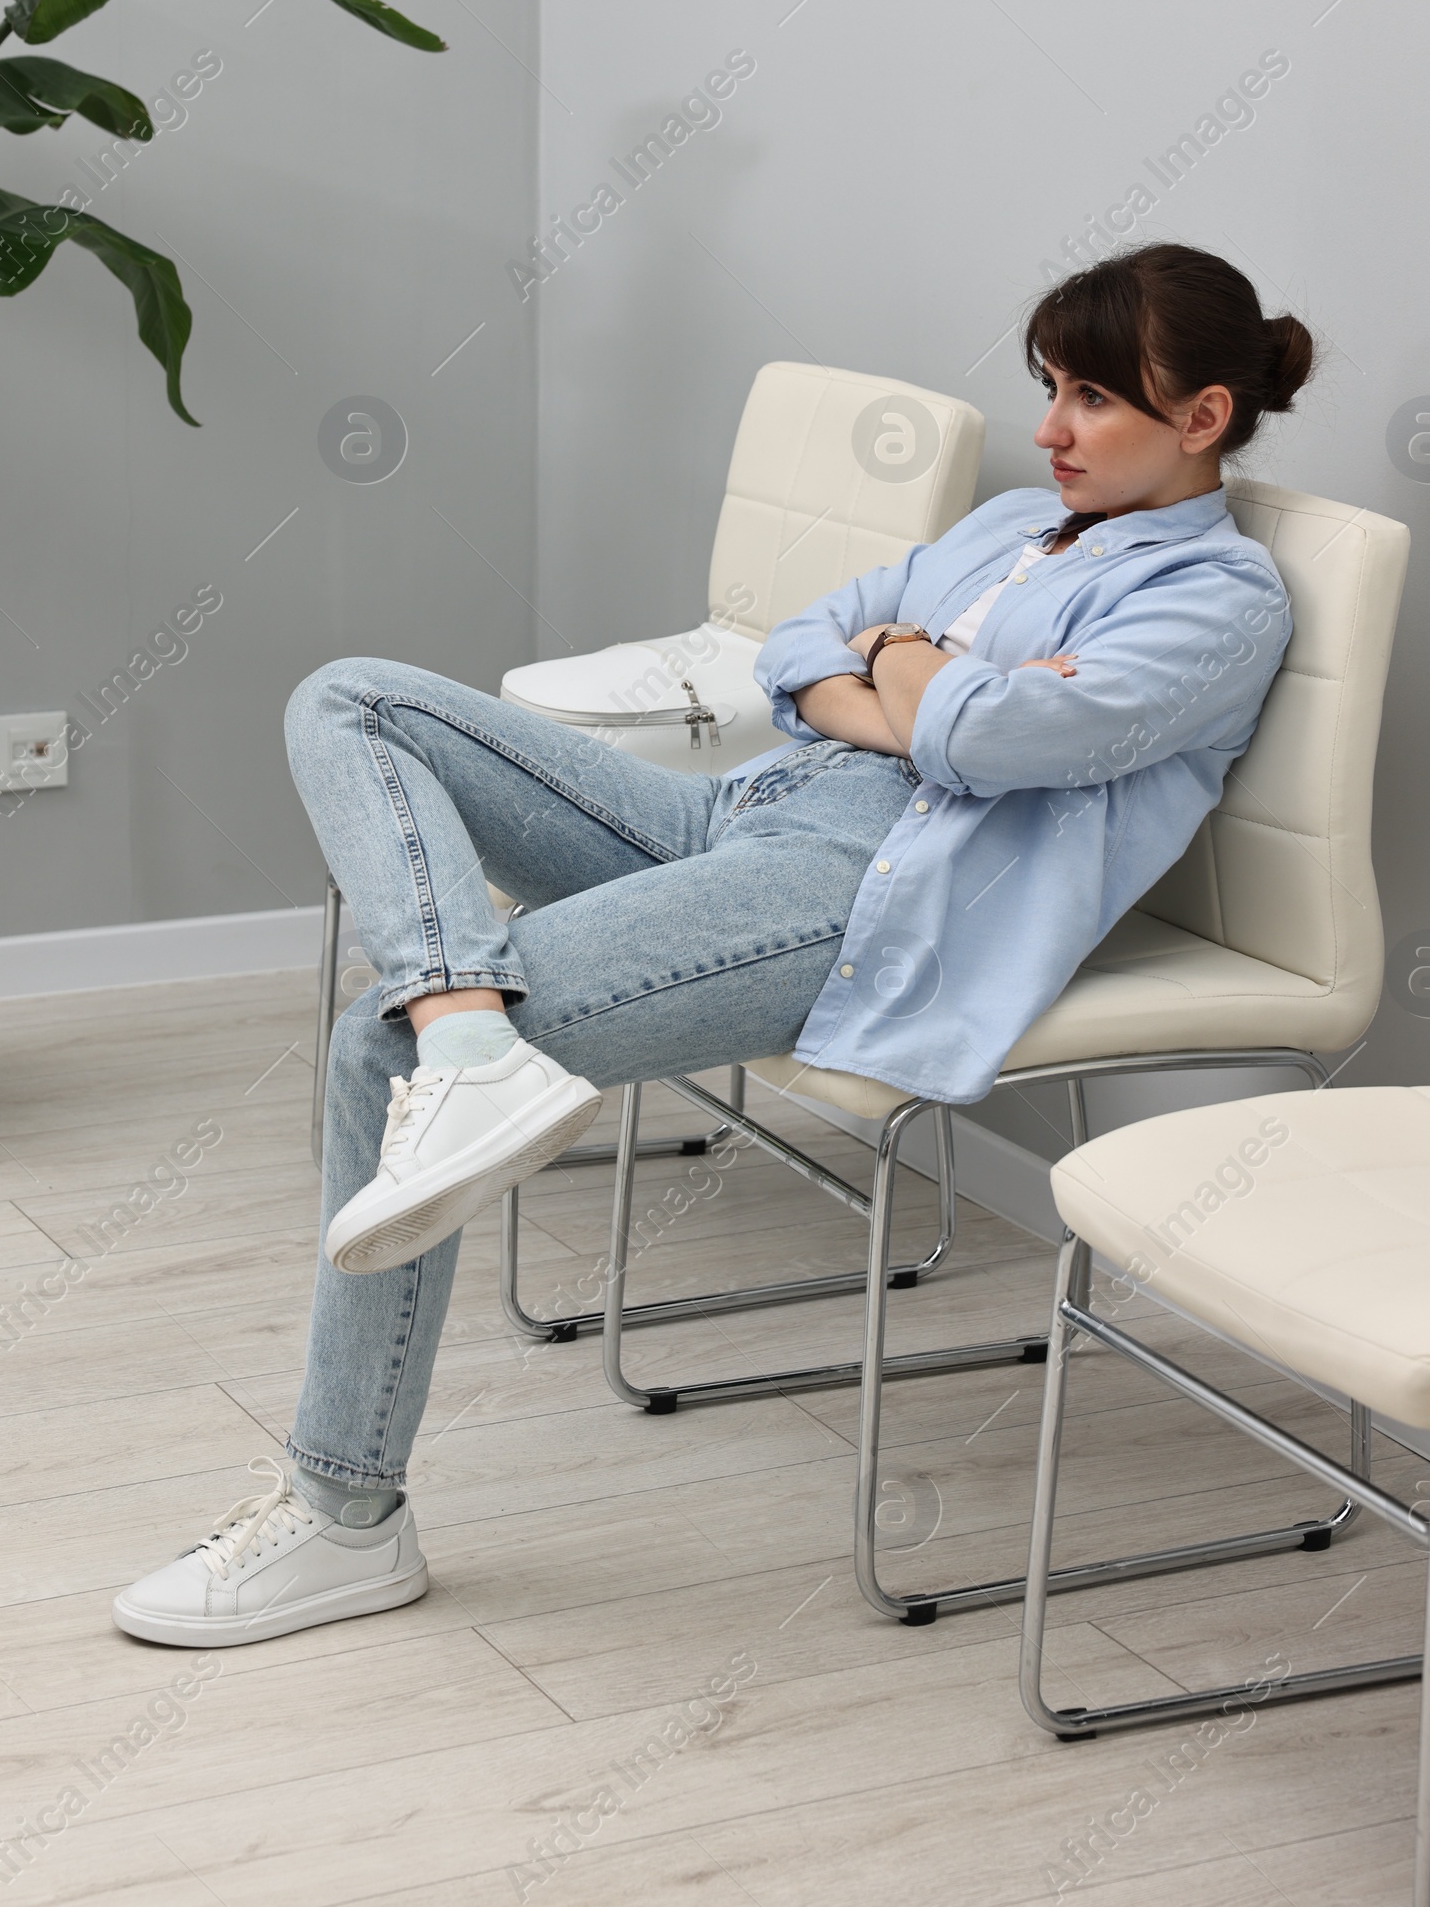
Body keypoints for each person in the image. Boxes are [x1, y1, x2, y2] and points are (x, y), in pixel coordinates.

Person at [113, 241, 1314, 1647]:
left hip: (858, 896)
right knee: (354, 696)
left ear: (1206, 417)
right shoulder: (1008, 527)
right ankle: (467, 1025)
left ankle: (344, 1517)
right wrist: (913, 682)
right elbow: (800, 649)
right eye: (1049, 387)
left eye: (1092, 398)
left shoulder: (1220, 603)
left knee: (370, 1052)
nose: (1048, 429)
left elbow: (980, 737)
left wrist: (908, 671)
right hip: (734, 816)